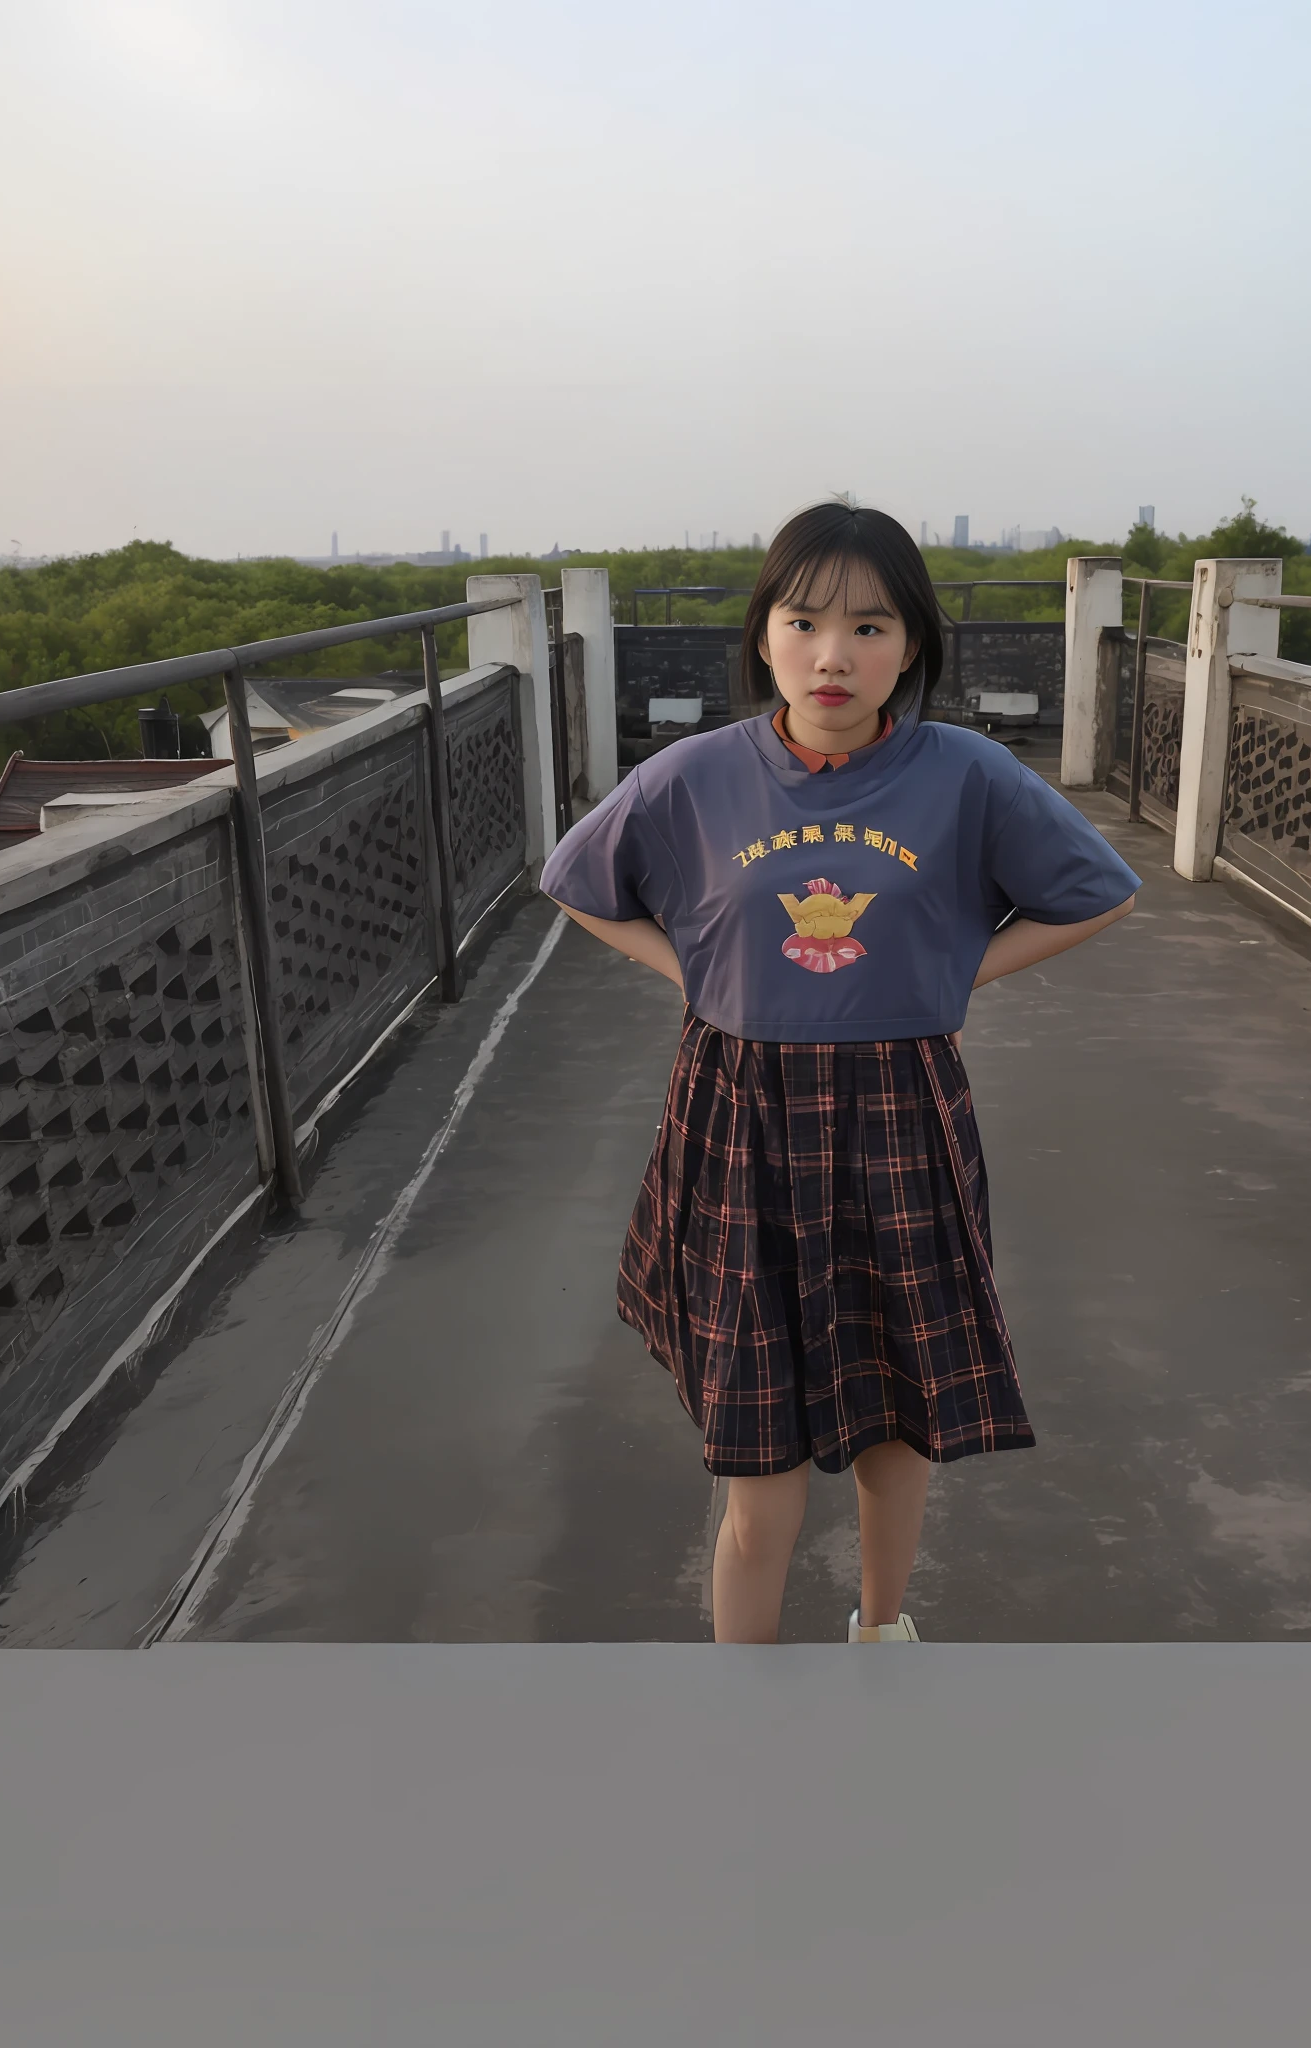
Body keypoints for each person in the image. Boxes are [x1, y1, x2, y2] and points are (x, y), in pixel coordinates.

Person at [540, 502, 1139, 1643]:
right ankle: (748, 1707)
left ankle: (880, 1633)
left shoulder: (966, 775)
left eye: (869, 626)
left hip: (899, 1116)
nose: (833, 654)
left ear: (911, 645)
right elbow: (579, 881)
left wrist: (955, 972)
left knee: (895, 1426)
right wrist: (694, 972)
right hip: (742, 1121)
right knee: (757, 1457)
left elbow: (1097, 890)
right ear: (763, 633)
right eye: (804, 619)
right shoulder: (696, 777)